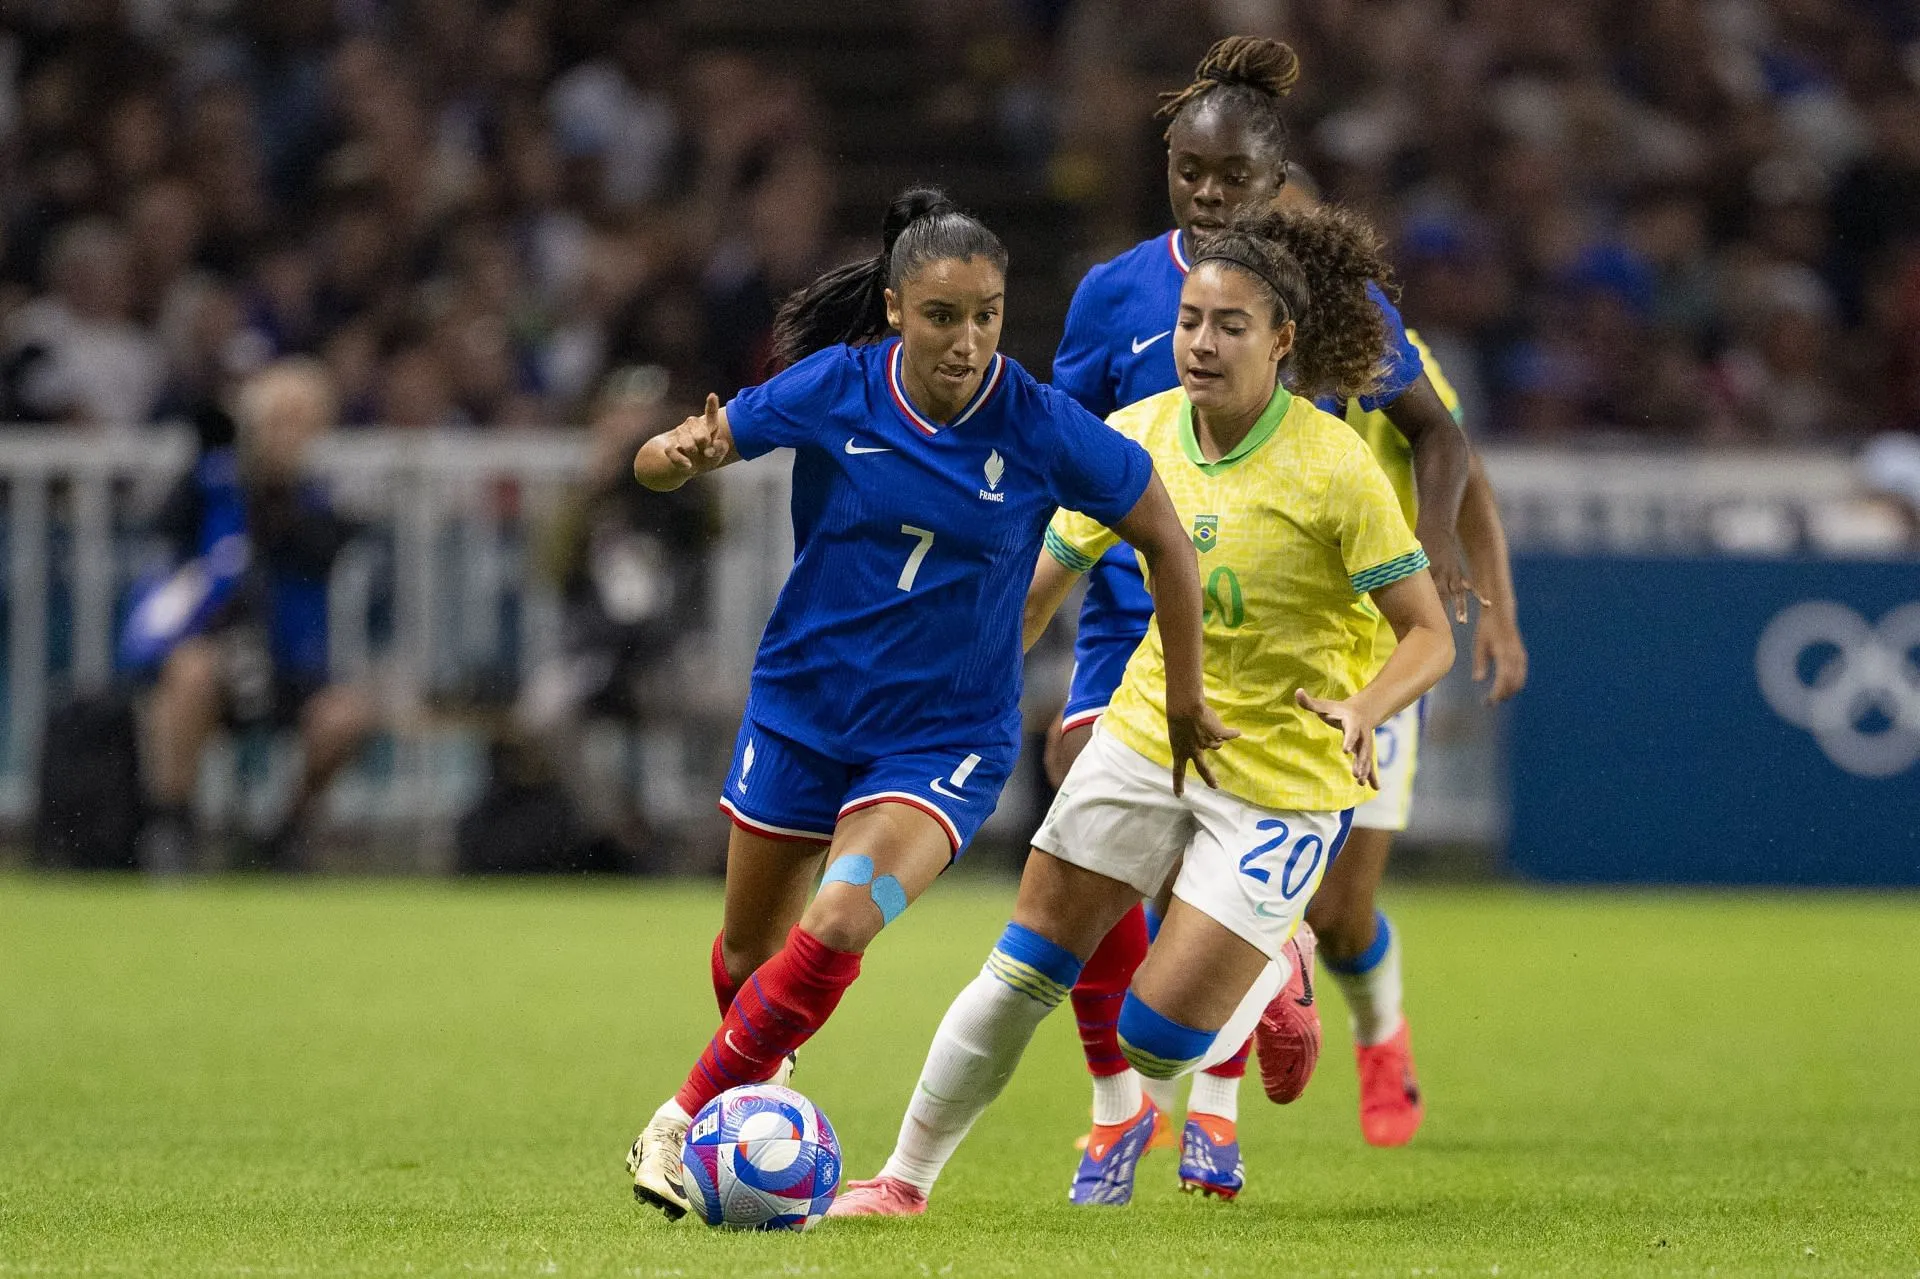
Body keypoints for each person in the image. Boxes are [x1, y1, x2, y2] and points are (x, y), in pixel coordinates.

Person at [829, 203, 1457, 1219]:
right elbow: (1046, 580)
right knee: (1023, 963)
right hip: (1151, 736)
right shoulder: (1135, 435)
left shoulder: (1335, 468)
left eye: (1230, 326)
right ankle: (903, 1181)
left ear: (1283, 340)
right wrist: (956, 682)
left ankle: (1275, 964)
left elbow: (1428, 632)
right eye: (1189, 323)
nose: (1200, 345)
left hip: (1287, 775)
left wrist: (1365, 706)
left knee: (1154, 1035)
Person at [622, 187, 1219, 1221]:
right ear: (897, 309)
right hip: (802, 712)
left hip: (943, 738)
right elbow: (666, 456)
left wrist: (1182, 690)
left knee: (842, 917)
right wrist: (678, 457)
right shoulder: (833, 388)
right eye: (945, 316)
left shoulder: (1038, 425)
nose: (969, 339)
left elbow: (1165, 532)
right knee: (748, 954)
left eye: (988, 314)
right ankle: (764, 1099)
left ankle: (681, 1116)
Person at [1044, 35, 1476, 1195]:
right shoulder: (1112, 294)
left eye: (1233, 178)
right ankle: (1118, 1102)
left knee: (1331, 910)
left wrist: (1437, 555)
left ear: (1275, 179)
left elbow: (1438, 429)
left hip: (1301, 629)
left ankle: (1249, 1089)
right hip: (1130, 613)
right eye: (1191, 174)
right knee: (1090, 815)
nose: (1211, 195)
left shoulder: (1329, 296)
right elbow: (1060, 445)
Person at [1273, 168, 1529, 1149]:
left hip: (1379, 651)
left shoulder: (1375, 349)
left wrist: (1495, 611)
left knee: (1340, 912)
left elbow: (1464, 470)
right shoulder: (1218, 337)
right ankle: (1165, 1107)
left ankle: (1383, 1037)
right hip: (1272, 646)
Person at [128, 360, 374, 873]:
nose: (287, 435)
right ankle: (173, 826)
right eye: (277, 420)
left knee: (344, 715)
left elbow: (320, 547)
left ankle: (286, 831)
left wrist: (275, 499)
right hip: (219, 656)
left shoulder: (322, 500)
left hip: (290, 665)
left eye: (301, 422)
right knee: (188, 673)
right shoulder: (209, 487)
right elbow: (168, 546)